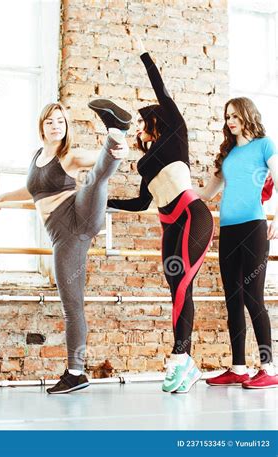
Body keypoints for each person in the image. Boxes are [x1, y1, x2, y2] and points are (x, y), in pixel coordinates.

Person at [0, 101, 130, 394]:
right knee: (71, 303)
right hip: (63, 234)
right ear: (41, 126)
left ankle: (116, 133)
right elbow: (31, 190)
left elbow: (96, 159)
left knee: (95, 180)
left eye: (61, 121)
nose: (56, 126)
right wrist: (2, 197)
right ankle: (76, 373)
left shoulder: (70, 156)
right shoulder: (36, 158)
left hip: (78, 217)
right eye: (50, 121)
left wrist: (120, 151)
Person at [107, 35, 213, 394]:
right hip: (168, 226)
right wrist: (105, 203)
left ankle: (179, 357)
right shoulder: (144, 164)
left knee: (183, 282)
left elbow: (163, 92)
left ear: (154, 120)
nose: (135, 127)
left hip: (193, 217)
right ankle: (190, 365)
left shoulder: (176, 136)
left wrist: (144, 55)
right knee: (177, 291)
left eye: (139, 121)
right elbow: (141, 204)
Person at [196, 97, 278, 389]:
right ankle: (239, 367)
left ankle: (268, 367)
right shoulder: (228, 156)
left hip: (254, 228)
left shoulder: (265, 145)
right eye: (227, 116)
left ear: (247, 115)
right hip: (228, 231)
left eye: (235, 115)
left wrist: (276, 219)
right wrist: (174, 185)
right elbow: (206, 193)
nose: (230, 121)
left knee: (254, 297)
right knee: (233, 299)